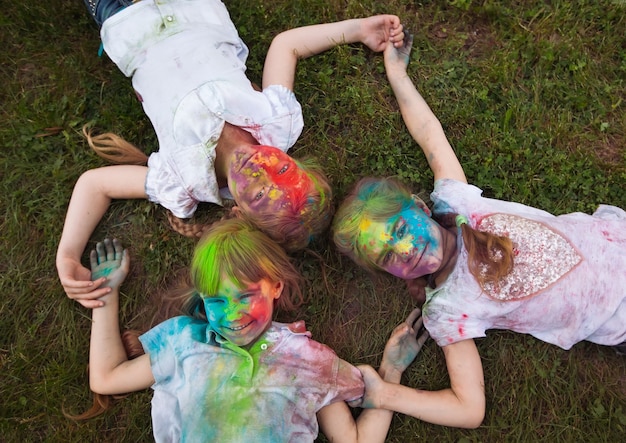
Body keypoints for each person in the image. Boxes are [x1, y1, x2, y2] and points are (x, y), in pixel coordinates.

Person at [331, 35, 626, 427]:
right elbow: (469, 409)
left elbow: (428, 133)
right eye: (387, 256)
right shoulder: (446, 311)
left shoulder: (456, 202)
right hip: (616, 315)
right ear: (388, 273)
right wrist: (386, 392)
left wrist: (396, 73)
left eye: (401, 227)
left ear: (421, 208)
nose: (403, 249)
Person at [58, 0, 407, 307]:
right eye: (283, 172)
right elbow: (286, 47)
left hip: (125, 23)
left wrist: (69, 253)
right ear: (293, 161)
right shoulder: (276, 122)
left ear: (238, 210)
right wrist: (358, 29)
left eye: (259, 192)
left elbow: (96, 185)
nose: (261, 170)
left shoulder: (184, 181)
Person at [82, 219, 427, 442]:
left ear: (275, 287)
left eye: (246, 295)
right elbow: (107, 378)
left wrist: (391, 371)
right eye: (216, 301)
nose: (231, 314)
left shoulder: (309, 361)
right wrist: (106, 295)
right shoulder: (185, 340)